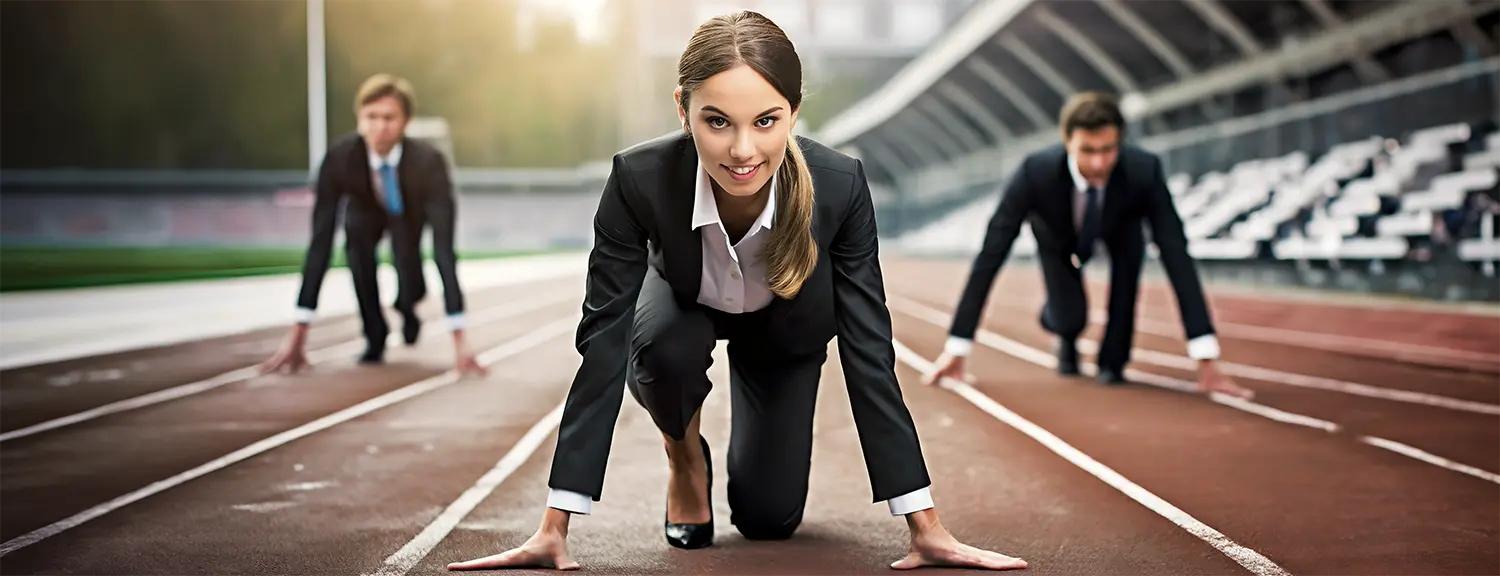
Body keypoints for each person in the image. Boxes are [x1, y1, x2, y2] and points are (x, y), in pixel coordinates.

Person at [448, 11, 1026, 573]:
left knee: (769, 518)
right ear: (683, 110)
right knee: (660, 351)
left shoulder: (840, 187)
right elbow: (602, 345)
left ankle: (754, 476)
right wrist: (556, 523)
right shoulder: (638, 180)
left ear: (794, 114)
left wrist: (923, 525)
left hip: (786, 327)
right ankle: (684, 460)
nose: (743, 150)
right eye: (717, 121)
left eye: (766, 121)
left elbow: (869, 353)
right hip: (680, 305)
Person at [922, 92, 1253, 400]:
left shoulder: (1143, 170)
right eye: (1087, 151)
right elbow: (991, 254)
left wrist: (1206, 357)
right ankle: (1063, 333)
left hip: (1121, 229)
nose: (1098, 163)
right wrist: (958, 346)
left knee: (1122, 319)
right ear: (1068, 142)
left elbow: (1175, 251)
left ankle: (1112, 362)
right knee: (1070, 318)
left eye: (1108, 150)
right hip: (1057, 238)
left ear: (1120, 143)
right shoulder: (1034, 173)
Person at [260, 73, 484, 377]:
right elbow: (320, 242)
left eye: (389, 117)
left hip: (410, 216)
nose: (380, 126)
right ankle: (374, 334)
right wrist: (299, 331)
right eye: (371, 117)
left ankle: (407, 308)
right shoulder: (340, 159)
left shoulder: (429, 163)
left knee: (410, 275)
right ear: (359, 119)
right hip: (365, 212)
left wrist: (460, 339)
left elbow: (444, 250)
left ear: (406, 121)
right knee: (357, 250)